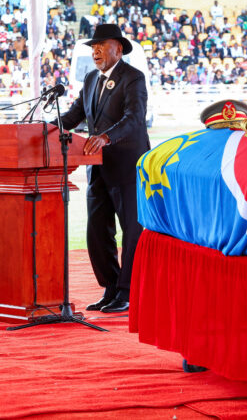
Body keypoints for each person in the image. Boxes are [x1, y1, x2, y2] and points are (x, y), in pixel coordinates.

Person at [56, 24, 150, 313]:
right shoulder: (90, 80)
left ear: (118, 49)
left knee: (131, 231)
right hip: (95, 169)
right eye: (92, 47)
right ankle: (110, 287)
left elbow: (135, 118)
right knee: (97, 231)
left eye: (101, 45)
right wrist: (44, 130)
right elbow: (73, 115)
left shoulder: (133, 78)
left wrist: (106, 137)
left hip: (127, 166)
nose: (95, 51)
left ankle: (127, 291)